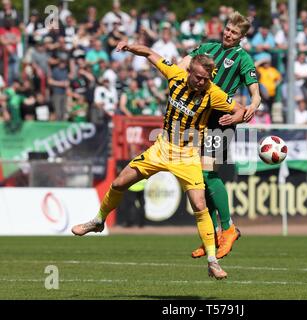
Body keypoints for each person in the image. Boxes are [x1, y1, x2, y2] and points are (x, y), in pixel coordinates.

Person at [71, 41, 246, 280]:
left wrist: (234, 118)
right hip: (162, 148)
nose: (202, 82)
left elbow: (240, 109)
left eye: (206, 79)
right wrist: (130, 47)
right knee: (120, 182)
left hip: (188, 155)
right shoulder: (175, 75)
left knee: (199, 204)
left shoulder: (213, 93)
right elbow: (151, 54)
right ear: (190, 72)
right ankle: (98, 221)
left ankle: (212, 261)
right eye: (198, 78)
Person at [178, 11, 261, 259]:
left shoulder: (243, 59)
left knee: (206, 173)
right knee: (199, 182)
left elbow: (256, 94)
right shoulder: (207, 48)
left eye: (234, 32)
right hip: (198, 118)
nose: (228, 34)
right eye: (227, 29)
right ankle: (212, 235)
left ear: (242, 37)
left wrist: (249, 109)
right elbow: (183, 65)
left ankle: (228, 228)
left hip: (221, 119)